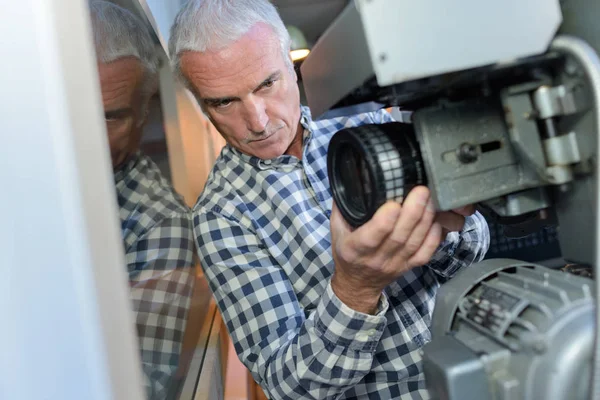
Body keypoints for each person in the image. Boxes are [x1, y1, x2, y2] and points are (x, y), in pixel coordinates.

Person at [169, 0, 490, 398]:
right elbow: (291, 388)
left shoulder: (365, 118)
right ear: (202, 104)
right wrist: (354, 290)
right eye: (224, 102)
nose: (258, 121)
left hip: (482, 377)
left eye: (266, 84)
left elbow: (474, 247)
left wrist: (444, 229)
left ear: (291, 63)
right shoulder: (220, 217)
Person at [89, 2, 195, 399]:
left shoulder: (158, 223)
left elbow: (139, 388)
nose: (88, 135)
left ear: (143, 113)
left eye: (109, 117)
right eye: (73, 108)